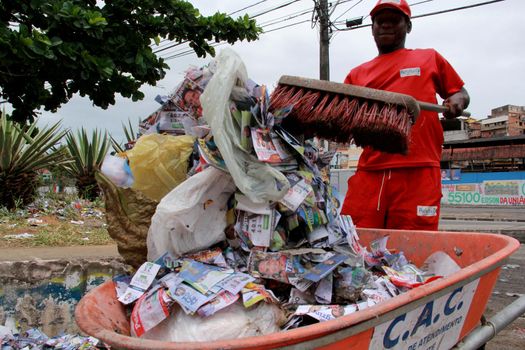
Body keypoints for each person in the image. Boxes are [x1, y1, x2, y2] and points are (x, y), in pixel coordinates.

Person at [340, 0, 469, 230]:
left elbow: (459, 92)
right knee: (354, 242)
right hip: (371, 172)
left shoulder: (429, 58)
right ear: (372, 28)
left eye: (394, 20)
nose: (386, 26)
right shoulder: (357, 74)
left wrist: (456, 101)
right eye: (380, 21)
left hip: (419, 170)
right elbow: (341, 117)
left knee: (412, 248)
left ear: (408, 26)